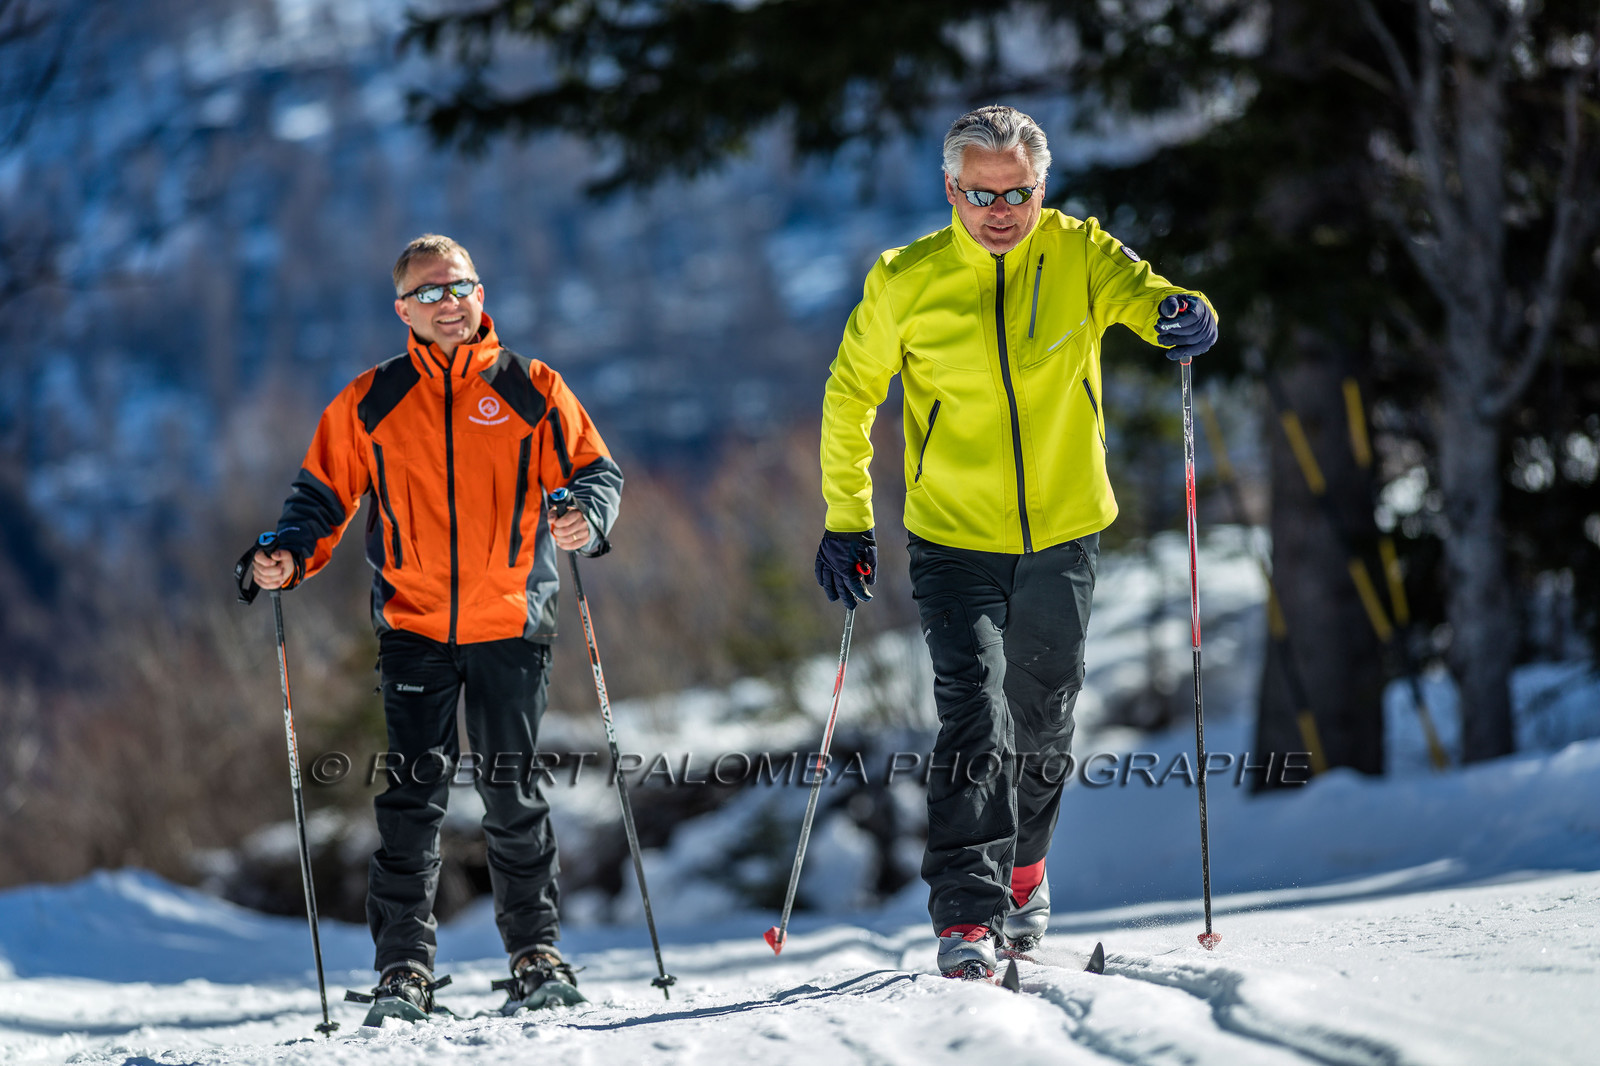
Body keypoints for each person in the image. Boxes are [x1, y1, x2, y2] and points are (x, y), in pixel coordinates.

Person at [814, 106, 1217, 979]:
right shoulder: (904, 280)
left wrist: (1184, 315)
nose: (999, 210)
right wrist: (848, 516)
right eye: (979, 193)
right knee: (974, 711)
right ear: (950, 190)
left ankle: (1026, 873)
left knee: (1044, 719)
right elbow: (850, 397)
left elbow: (1150, 297)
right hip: (951, 537)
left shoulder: (1080, 253)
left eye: (1018, 193)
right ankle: (966, 911)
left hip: (1064, 533)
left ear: (1043, 188)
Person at [235, 234, 622, 1017]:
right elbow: (318, 501)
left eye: (461, 288)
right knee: (413, 800)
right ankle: (403, 969)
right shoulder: (370, 400)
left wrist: (588, 516)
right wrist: (282, 554)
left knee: (513, 794)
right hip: (413, 625)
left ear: (482, 293)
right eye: (431, 294)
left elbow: (594, 473)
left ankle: (535, 956)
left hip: (514, 619)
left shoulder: (530, 387)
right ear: (402, 310)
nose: (450, 304)